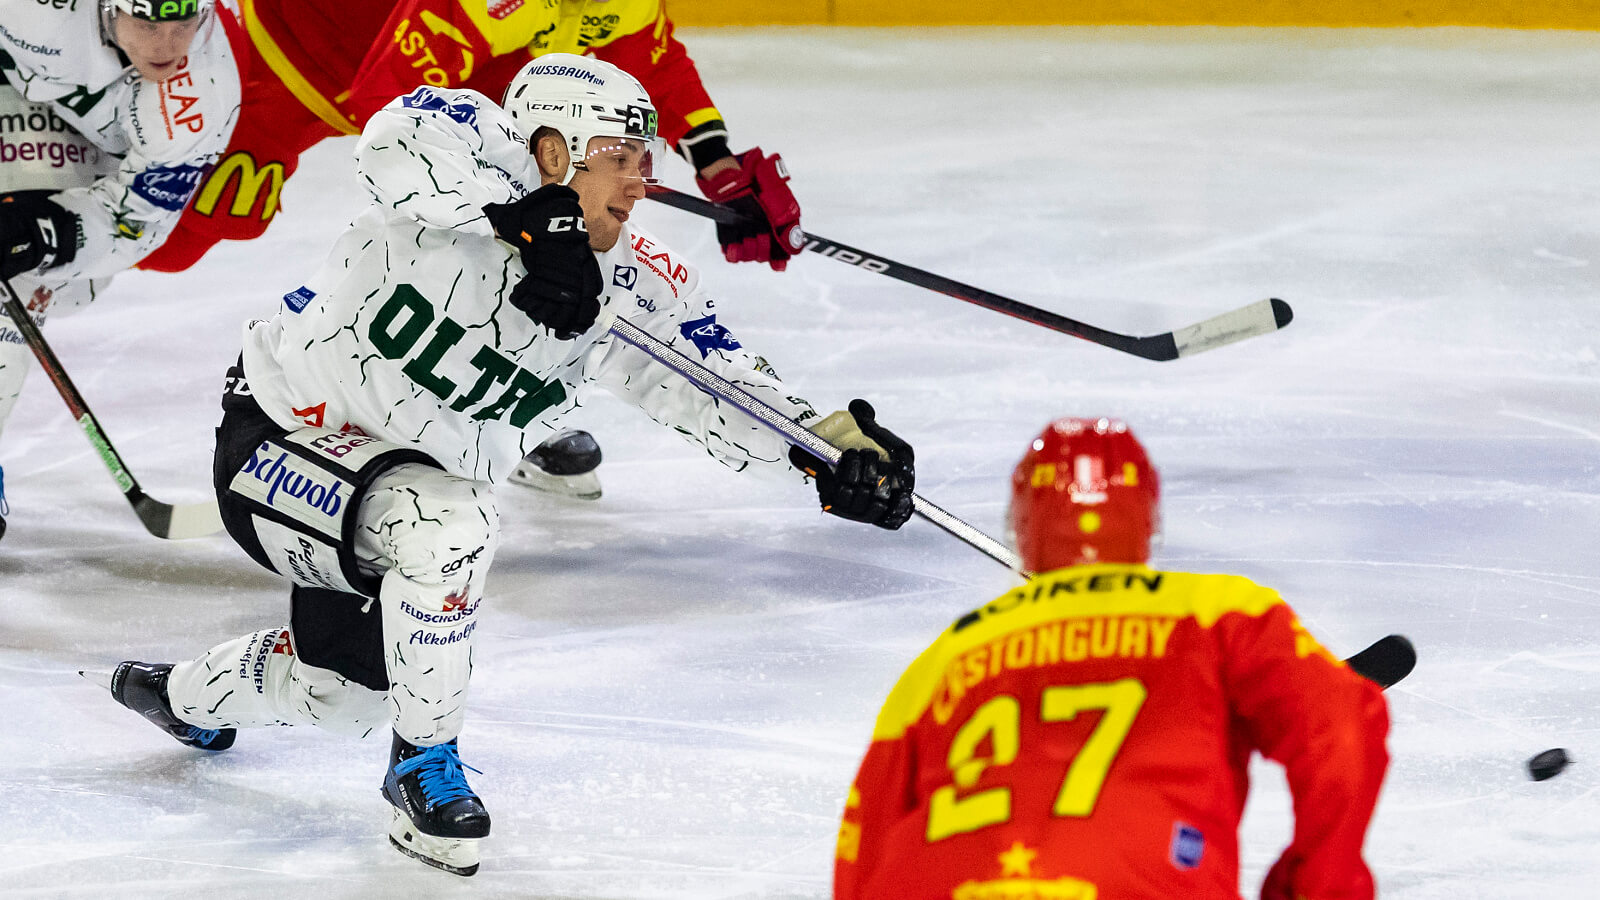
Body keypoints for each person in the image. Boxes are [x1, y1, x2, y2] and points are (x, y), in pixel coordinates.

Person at [94, 53, 911, 877]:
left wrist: (826, 453)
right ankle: (423, 764)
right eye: (619, 160)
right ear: (553, 151)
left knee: (343, 695)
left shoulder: (626, 285)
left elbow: (713, 387)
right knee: (451, 524)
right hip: (277, 441)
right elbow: (389, 142)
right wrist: (524, 216)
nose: (640, 186)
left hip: (391, 493)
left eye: (646, 162)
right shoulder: (458, 143)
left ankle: (180, 696)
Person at [137, 0, 807, 498]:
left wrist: (716, 164)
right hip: (277, 55)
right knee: (167, 239)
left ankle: (504, 408)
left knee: (534, 206)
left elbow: (643, 52)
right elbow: (396, 108)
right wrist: (522, 210)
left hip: (398, 64)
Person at [834, 418, 1391, 900]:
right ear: (1148, 520)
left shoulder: (948, 656)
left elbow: (864, 842)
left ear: (1023, 527)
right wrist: (1318, 883)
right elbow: (1341, 729)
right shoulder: (1217, 612)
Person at [0, 0, 240, 540]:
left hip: (81, 146)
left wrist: (49, 233)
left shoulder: (201, 97)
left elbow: (139, 220)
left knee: (20, 286)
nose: (169, 46)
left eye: (185, 21)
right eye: (149, 22)